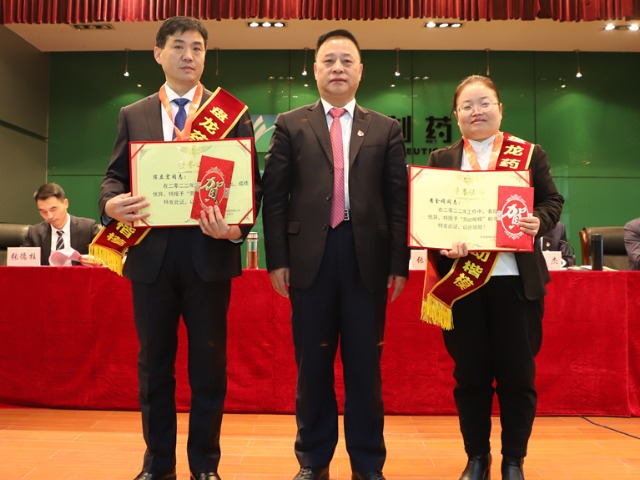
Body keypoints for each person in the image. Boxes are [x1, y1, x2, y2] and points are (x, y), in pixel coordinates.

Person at [98, 16, 262, 480]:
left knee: (209, 367)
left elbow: (251, 184)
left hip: (209, 255)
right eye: (178, 46)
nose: (188, 56)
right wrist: (110, 203)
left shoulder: (231, 113)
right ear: (158, 53)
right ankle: (158, 465)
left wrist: (234, 230)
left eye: (197, 48)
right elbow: (113, 177)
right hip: (150, 258)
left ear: (205, 56)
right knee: (154, 367)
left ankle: (205, 466)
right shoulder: (134, 113)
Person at [262, 29, 409, 480]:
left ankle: (368, 464)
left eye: (347, 60)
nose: (338, 68)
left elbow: (398, 201)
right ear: (315, 70)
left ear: (361, 70)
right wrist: (277, 259)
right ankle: (313, 461)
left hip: (368, 260)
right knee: (312, 368)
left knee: (365, 369)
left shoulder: (386, 128)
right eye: (329, 60)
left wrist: (398, 264)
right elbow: (275, 197)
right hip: (310, 259)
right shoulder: (290, 124)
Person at [424, 75, 563, 480]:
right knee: (470, 377)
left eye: (484, 103)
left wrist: (539, 220)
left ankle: (514, 459)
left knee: (518, 376)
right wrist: (443, 244)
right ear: (456, 115)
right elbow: (431, 215)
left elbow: (552, 200)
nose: (476, 111)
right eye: (467, 106)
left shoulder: (528, 154)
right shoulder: (442, 159)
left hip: (515, 284)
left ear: (500, 109)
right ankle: (477, 457)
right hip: (463, 286)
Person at [22, 182, 100, 265]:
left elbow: (105, 259)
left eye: (53, 209)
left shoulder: (88, 228)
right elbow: (22, 261)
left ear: (66, 204)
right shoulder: (34, 233)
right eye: (43, 212)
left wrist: (98, 261)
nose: (49, 216)